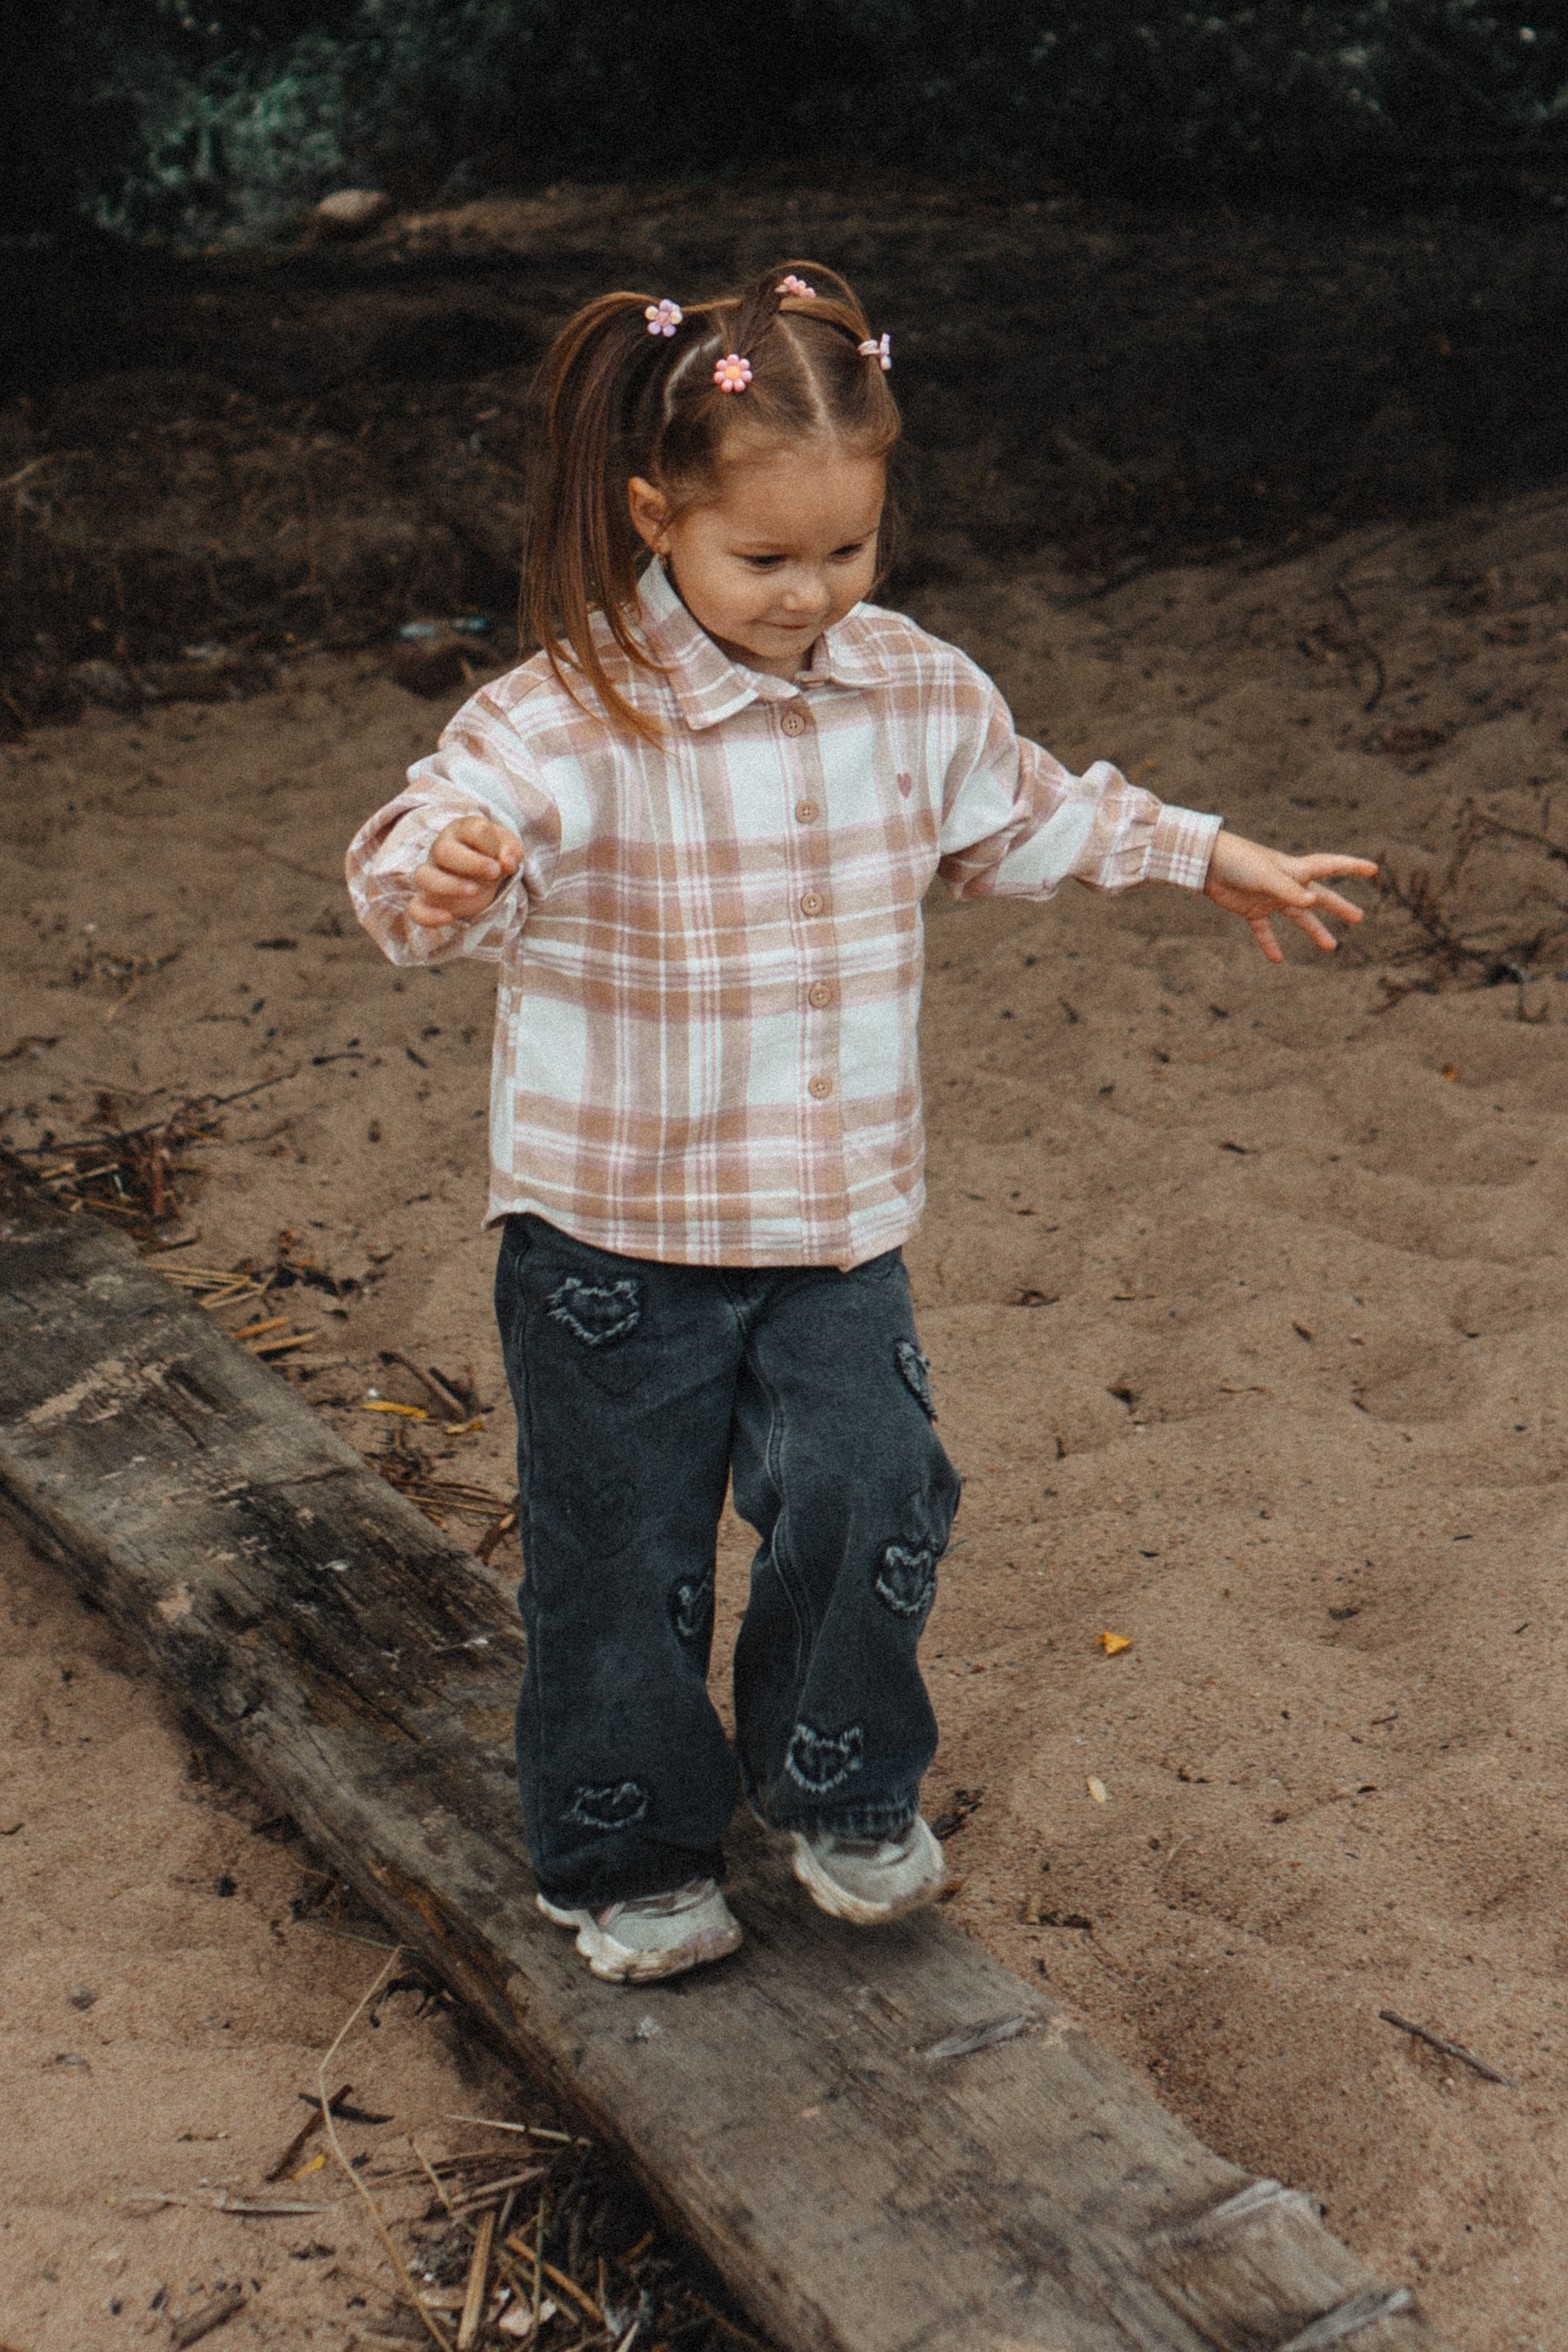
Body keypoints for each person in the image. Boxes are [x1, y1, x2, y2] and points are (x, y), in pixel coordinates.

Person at [344, 265, 1374, 1985]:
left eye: (846, 550)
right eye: (763, 560)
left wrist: (1200, 852)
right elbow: (414, 857)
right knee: (621, 1564)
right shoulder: (560, 715)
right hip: (612, 1240)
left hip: (830, 1229)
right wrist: (440, 870)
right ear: (654, 516)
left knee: (876, 1491)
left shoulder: (909, 688)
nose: (806, 594)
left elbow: (1029, 816)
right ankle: (628, 1853)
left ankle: (832, 1784)